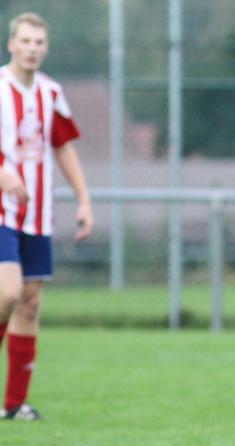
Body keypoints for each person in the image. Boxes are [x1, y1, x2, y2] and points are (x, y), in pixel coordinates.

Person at [0, 13, 93, 421]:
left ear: (45, 47)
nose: (33, 47)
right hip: (1, 211)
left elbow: (64, 149)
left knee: (31, 304)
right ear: (11, 45)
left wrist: (84, 199)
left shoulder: (50, 92)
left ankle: (15, 404)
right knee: (7, 293)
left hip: (37, 214)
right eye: (26, 40)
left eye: (39, 41)